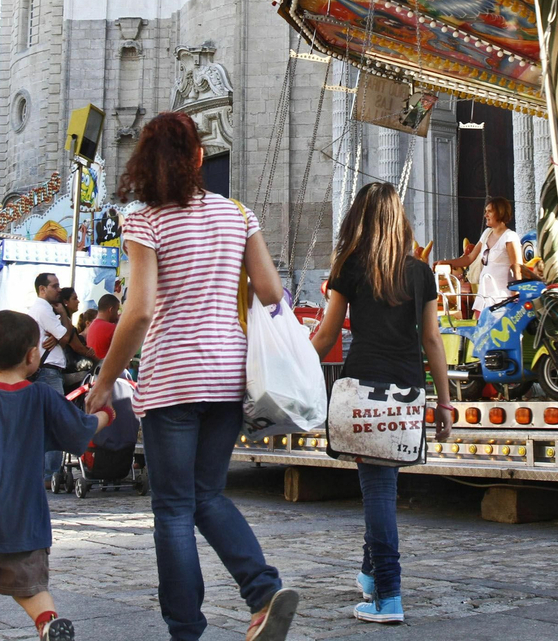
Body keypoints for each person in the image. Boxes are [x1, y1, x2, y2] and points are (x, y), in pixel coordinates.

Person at [85, 111, 299, 641]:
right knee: (208, 496)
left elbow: (138, 311)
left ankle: (185, 630)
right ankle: (262, 591)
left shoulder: (143, 221)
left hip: (173, 378)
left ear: (144, 163)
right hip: (228, 377)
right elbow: (273, 293)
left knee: (175, 508)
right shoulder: (237, 214)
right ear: (199, 158)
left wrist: (105, 380)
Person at [310, 182, 453, 624]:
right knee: (382, 484)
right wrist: (444, 404)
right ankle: (371, 576)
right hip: (407, 388)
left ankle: (388, 594)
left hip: (362, 385)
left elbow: (328, 335)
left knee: (377, 490)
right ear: (399, 220)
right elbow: (432, 340)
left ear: (359, 220)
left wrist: (290, 367)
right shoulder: (420, 272)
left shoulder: (348, 266)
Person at [0, 310, 117, 641]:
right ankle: (47, 622)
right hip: (25, 517)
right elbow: (78, 433)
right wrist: (104, 415)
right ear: (33, 356)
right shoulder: (42, 396)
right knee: (30, 586)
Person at [26, 272, 74, 484]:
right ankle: (49, 473)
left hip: (46, 370)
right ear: (42, 289)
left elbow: (62, 337)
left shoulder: (42, 310)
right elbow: (66, 337)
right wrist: (63, 314)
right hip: (48, 371)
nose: (59, 289)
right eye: (55, 286)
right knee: (56, 422)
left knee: (46, 424)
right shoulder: (44, 309)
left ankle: (44, 472)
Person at [440, 197, 524, 313]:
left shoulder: (510, 236)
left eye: (489, 211)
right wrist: (446, 262)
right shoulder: (487, 233)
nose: (486, 215)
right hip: (484, 296)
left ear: (500, 212)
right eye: (486, 212)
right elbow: (469, 258)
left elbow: (517, 266)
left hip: (502, 297)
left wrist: (515, 294)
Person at [85, 294, 120, 361]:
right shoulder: (111, 328)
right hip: (108, 367)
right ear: (111, 310)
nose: (117, 314)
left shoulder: (92, 326)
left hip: (95, 367)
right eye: (117, 310)